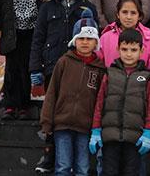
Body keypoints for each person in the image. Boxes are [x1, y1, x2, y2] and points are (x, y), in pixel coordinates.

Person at [29, 0, 97, 174]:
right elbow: (38, 38)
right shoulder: (48, 7)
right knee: (54, 111)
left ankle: (79, 159)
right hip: (53, 67)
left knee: (76, 111)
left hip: (81, 68)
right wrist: (35, 69)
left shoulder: (88, 7)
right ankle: (51, 154)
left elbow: (95, 36)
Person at [40, 18, 106, 176]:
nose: (85, 42)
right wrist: (47, 122)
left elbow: (100, 101)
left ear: (95, 42)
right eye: (81, 38)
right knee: (63, 166)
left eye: (89, 39)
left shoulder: (99, 69)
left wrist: (98, 126)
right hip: (62, 125)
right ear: (74, 41)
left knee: (82, 168)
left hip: (85, 127)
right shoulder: (64, 62)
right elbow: (52, 93)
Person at [90, 29, 150, 176]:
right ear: (117, 49)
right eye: (124, 49)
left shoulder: (146, 77)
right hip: (110, 137)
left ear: (142, 50)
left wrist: (148, 132)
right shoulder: (110, 73)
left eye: (133, 50)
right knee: (109, 171)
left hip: (134, 138)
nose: (128, 53)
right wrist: (96, 130)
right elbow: (99, 103)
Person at [97, 0, 150, 74]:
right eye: (124, 12)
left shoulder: (149, 39)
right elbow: (97, 66)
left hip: (139, 85)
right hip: (111, 84)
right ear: (118, 14)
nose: (128, 17)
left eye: (133, 13)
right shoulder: (105, 38)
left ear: (139, 15)